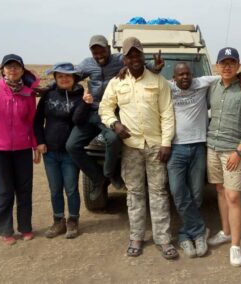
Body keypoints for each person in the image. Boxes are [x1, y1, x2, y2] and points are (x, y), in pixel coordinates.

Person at [99, 37, 178, 260]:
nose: (134, 58)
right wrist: (114, 124)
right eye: (129, 55)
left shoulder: (157, 81)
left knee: (159, 192)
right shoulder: (117, 82)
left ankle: (163, 239)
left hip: (155, 146)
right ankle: (136, 237)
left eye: (137, 54)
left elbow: (167, 113)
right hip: (130, 147)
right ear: (124, 58)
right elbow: (105, 108)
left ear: (143, 56)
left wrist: (166, 142)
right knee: (134, 193)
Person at [167, 62, 241, 258]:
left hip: (199, 146)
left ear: (193, 74)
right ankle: (196, 231)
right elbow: (148, 81)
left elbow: (227, 75)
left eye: (187, 73)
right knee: (178, 193)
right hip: (175, 148)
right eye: (180, 75)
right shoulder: (167, 86)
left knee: (197, 194)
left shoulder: (203, 82)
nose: (184, 78)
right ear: (173, 77)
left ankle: (189, 235)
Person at [64, 35, 163, 201]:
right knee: (72, 145)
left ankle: (109, 173)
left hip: (111, 113)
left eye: (101, 51)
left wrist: (156, 67)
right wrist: (51, 87)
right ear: (91, 52)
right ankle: (99, 178)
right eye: (95, 52)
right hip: (91, 112)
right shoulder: (87, 63)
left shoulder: (120, 59)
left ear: (108, 48)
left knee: (115, 139)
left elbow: (141, 64)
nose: (99, 55)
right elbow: (69, 77)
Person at [0, 54, 41, 245]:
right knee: (3, 191)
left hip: (22, 148)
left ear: (22, 70)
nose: (12, 70)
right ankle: (5, 230)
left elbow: (32, 122)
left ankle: (26, 227)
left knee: (24, 190)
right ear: (2, 70)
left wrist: (35, 144)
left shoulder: (28, 93)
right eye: (9, 67)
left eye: (16, 67)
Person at [206, 47, 241, 267]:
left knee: (234, 196)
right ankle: (226, 231)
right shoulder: (213, 88)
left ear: (238, 65)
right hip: (212, 147)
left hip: (233, 150)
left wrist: (239, 151)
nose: (226, 67)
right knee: (219, 190)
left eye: (231, 63)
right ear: (217, 66)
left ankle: (235, 245)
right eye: (223, 63)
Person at [34, 62, 93, 239]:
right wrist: (40, 141)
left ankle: (73, 221)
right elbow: (37, 121)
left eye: (68, 75)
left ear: (74, 77)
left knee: (71, 188)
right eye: (60, 76)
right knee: (54, 189)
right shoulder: (48, 95)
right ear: (55, 78)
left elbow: (79, 120)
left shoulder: (81, 95)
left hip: (70, 152)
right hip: (50, 152)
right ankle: (58, 221)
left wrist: (85, 104)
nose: (64, 79)